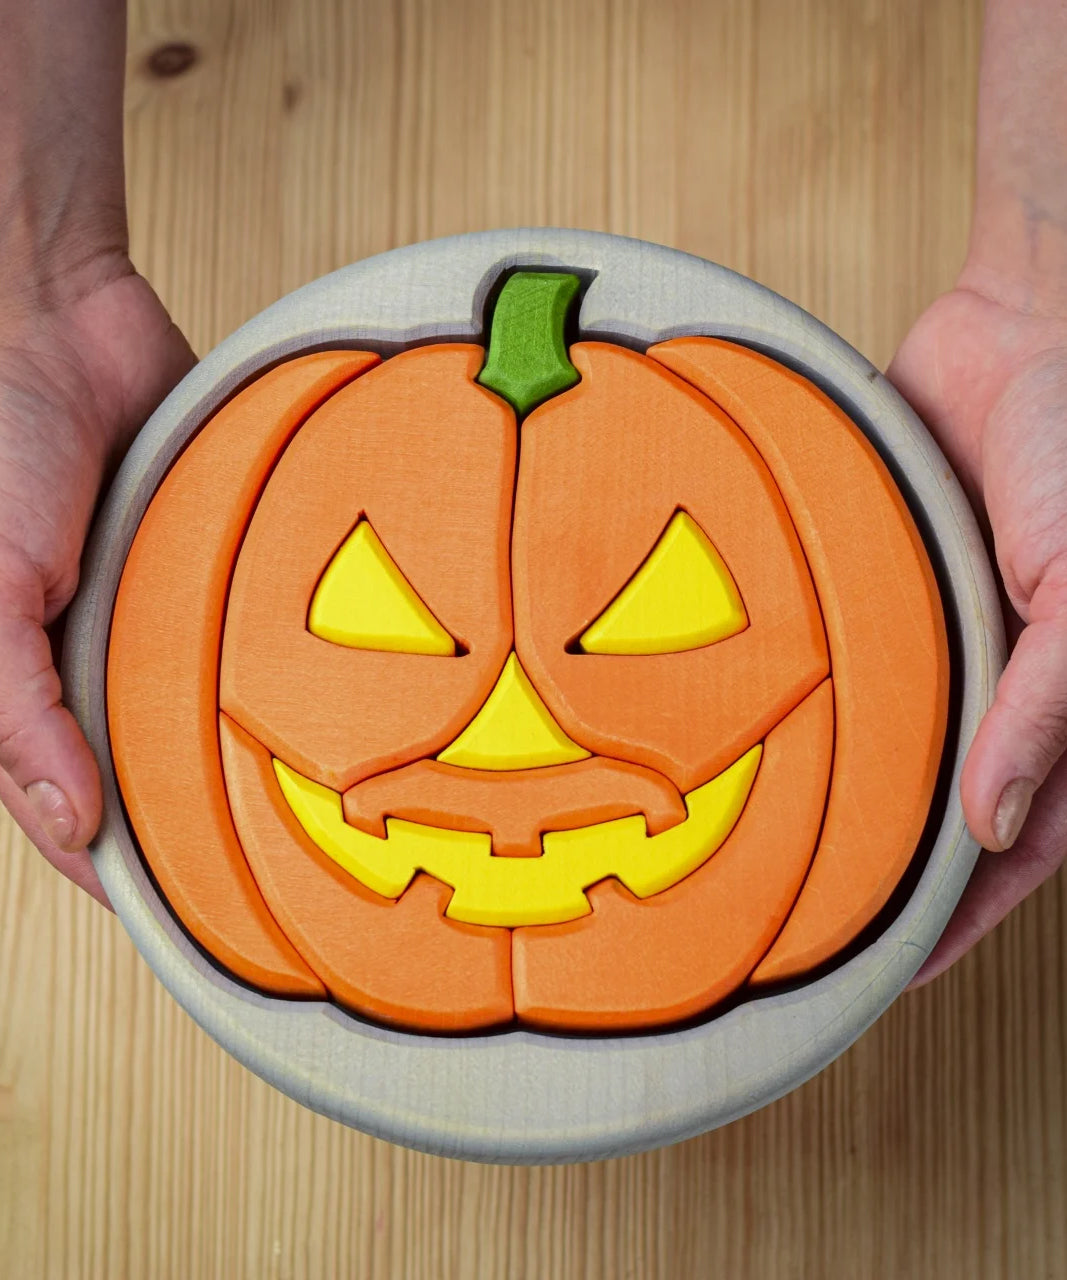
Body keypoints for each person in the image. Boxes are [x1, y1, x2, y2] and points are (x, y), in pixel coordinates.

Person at [1, 0, 1064, 984]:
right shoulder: (275, 444)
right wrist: (29, 295)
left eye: (654, 608)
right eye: (383, 612)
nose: (510, 737)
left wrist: (1044, 289)